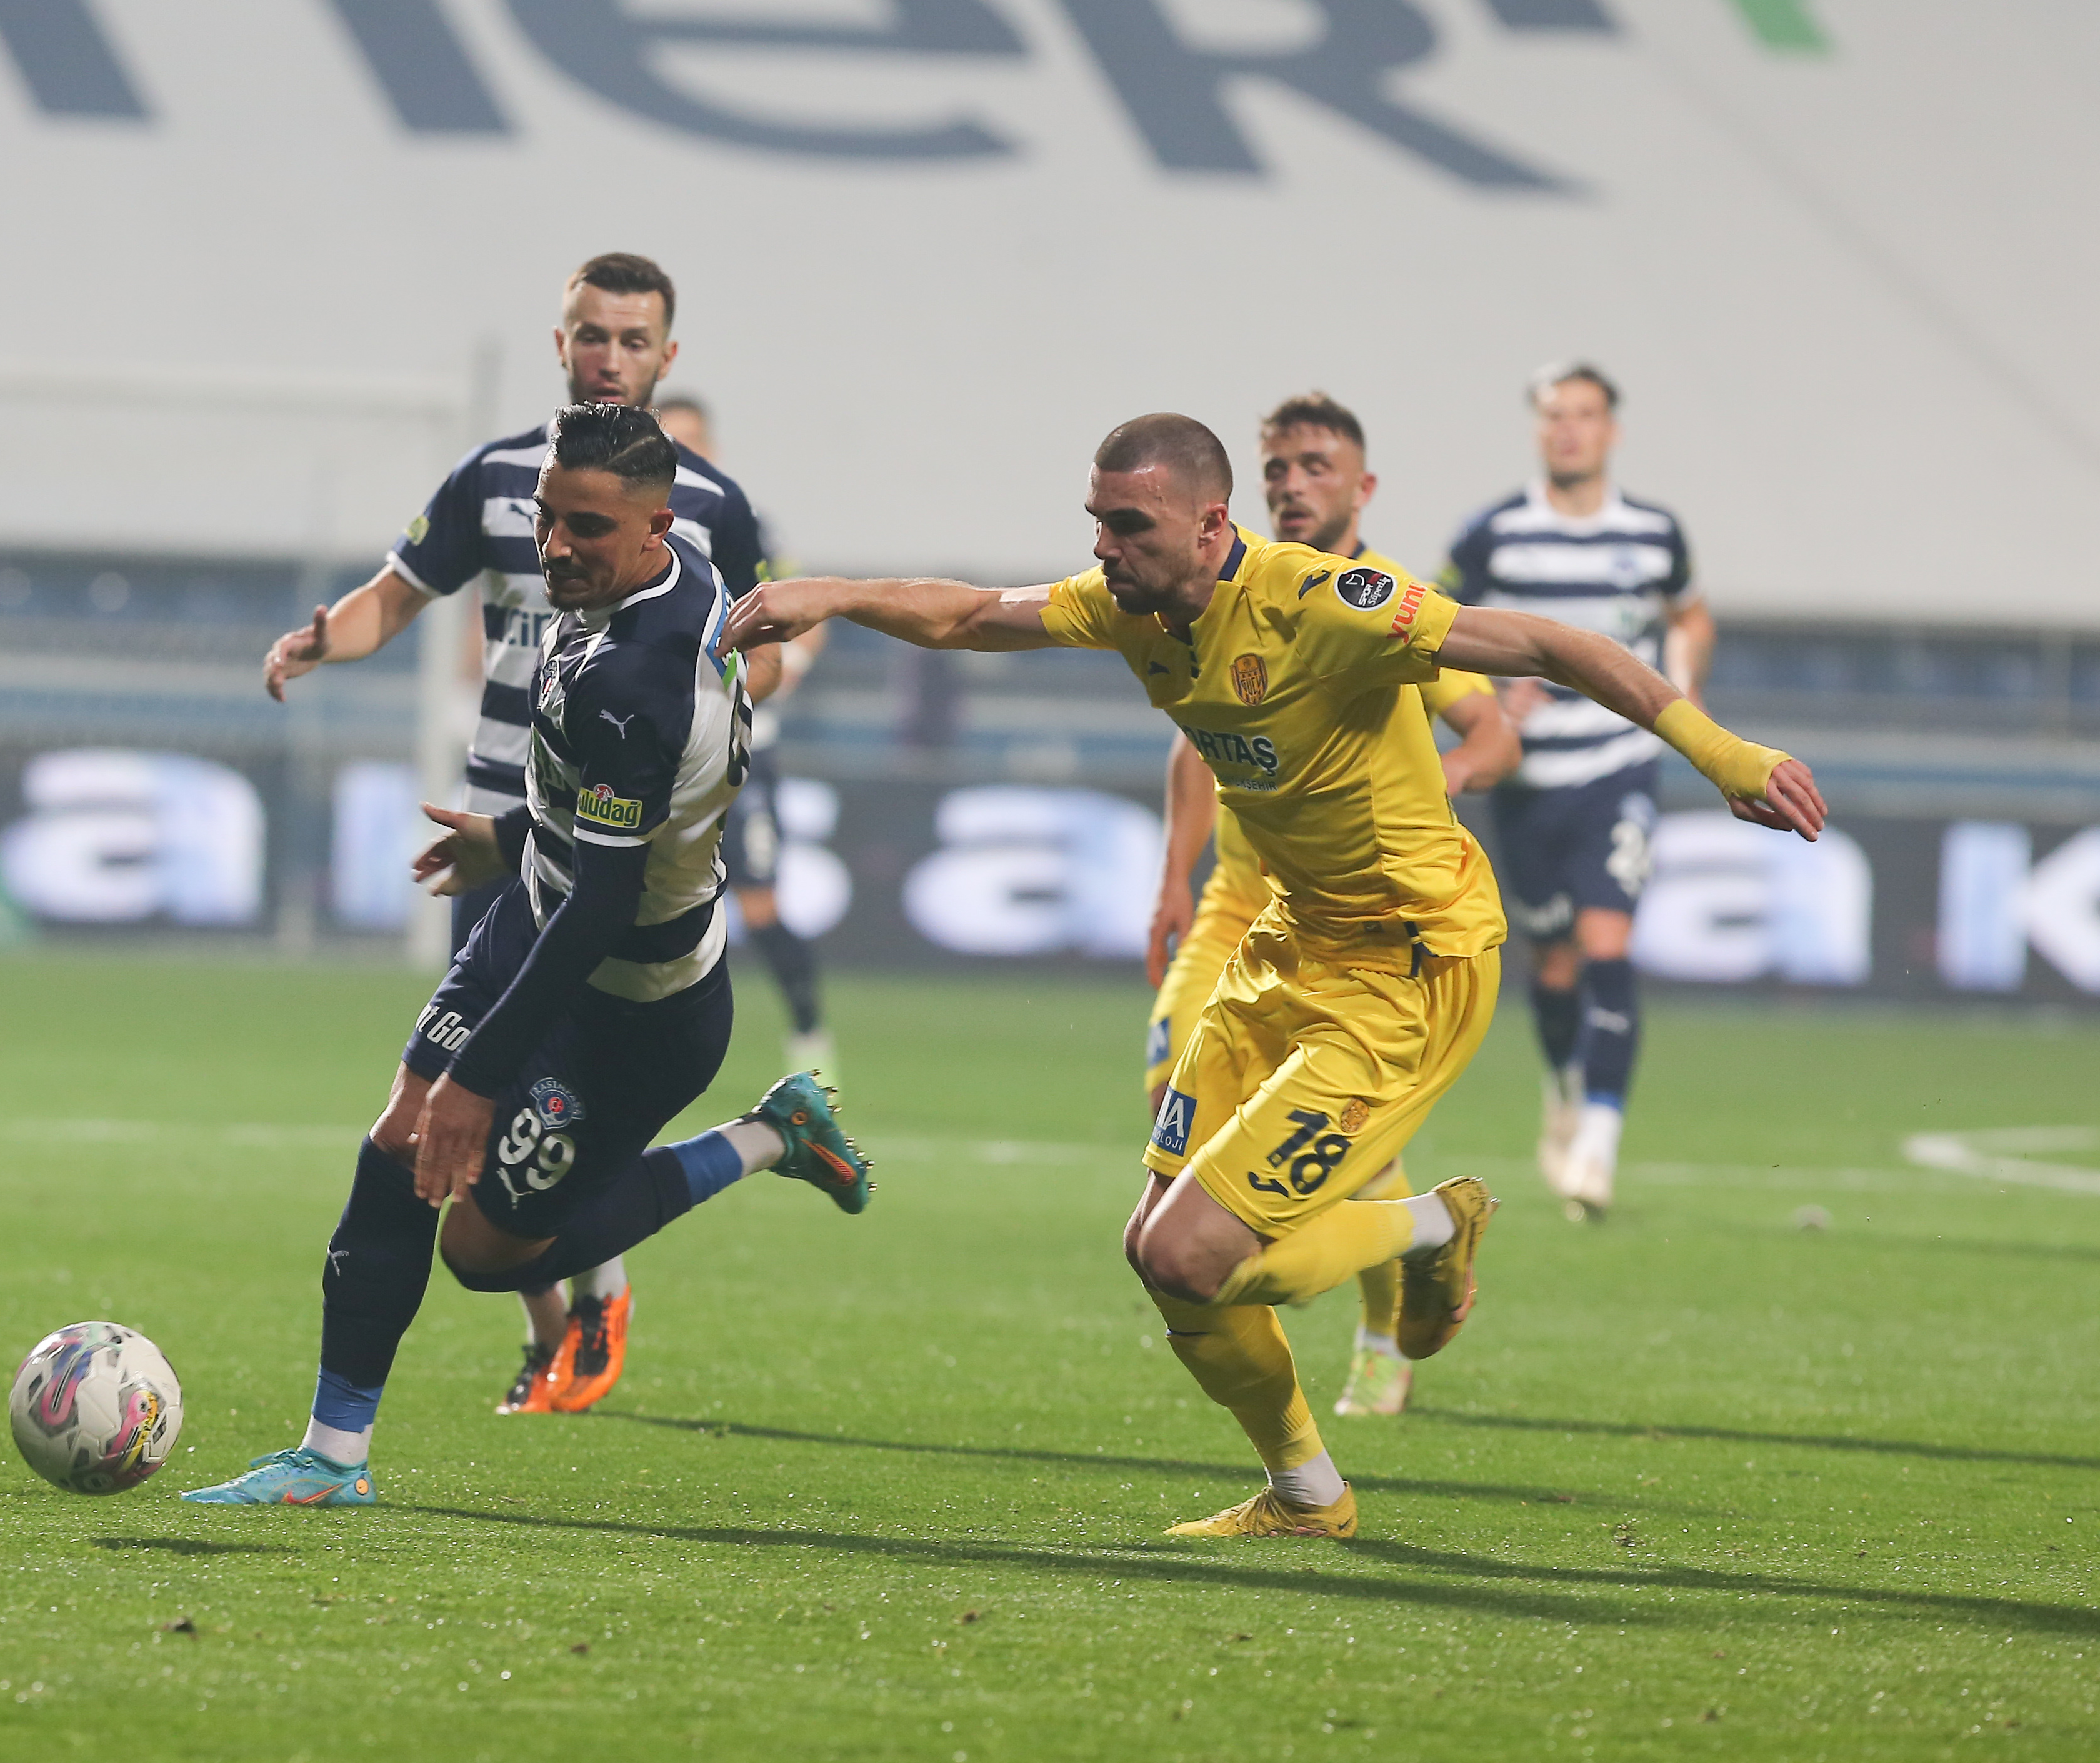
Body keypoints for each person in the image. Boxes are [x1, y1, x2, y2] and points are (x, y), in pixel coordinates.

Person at [721, 413, 1821, 1540]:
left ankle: (1430, 1226)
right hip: (1285, 946)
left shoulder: (1319, 603)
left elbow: (1547, 646)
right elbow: (964, 615)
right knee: (1154, 1253)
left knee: (1193, 1254)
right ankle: (1308, 1494)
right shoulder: (1130, 607)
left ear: (1211, 526)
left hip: (1410, 964)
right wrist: (834, 594)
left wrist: (1724, 753)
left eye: (1129, 524)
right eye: (1097, 521)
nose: (1103, 546)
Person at [188, 403, 871, 1510]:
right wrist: (508, 842)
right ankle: (332, 1457)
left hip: (635, 1005)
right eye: (548, 518)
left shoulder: (641, 677)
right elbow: (612, 828)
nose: (556, 546)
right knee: (399, 1144)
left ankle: (769, 1135)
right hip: (537, 918)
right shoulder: (633, 586)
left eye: (586, 528)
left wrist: (481, 1074)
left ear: (656, 529)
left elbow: (606, 903)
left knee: (485, 1253)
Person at [263, 253, 779, 1416]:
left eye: (632, 340)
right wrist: (326, 639)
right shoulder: (502, 478)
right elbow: (398, 593)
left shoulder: (707, 519)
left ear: (666, 356)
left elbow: (759, 649)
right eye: (591, 335)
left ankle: (595, 1291)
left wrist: (715, 712)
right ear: (561, 343)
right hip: (514, 823)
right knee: (432, 1138)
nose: (609, 357)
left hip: (619, 846)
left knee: (511, 1146)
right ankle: (487, 1366)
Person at [1143, 393, 1519, 1422]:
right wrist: (1172, 875)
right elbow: (1193, 741)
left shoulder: (1379, 604)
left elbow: (1493, 733)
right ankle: (1270, 1327)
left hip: (1345, 925)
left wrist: (1433, 785)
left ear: (1363, 486)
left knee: (1342, 1150)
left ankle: (1377, 1338)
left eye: (1315, 466)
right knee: (1169, 1111)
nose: (1292, 485)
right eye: (1277, 468)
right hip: (1236, 908)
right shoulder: (1227, 584)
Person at [1438, 363, 1715, 1222]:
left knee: (1606, 943)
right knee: (1552, 963)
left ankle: (1597, 1142)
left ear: (1610, 430)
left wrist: (1681, 690)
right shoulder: (1494, 533)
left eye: (1584, 414)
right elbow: (1425, 627)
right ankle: (1562, 1083)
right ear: (1538, 429)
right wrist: (1487, 701)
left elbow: (1690, 613)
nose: (1568, 429)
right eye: (1554, 415)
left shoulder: (1653, 533)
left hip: (1617, 766)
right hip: (1526, 780)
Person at [656, 394, 832, 1068]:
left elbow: (807, 612)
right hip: (660, 748)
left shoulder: (742, 523)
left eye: (693, 441)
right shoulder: (634, 527)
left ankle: (810, 1040)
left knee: (759, 904)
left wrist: (785, 669)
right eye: (670, 442)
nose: (683, 455)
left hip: (742, 748)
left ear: (714, 449)